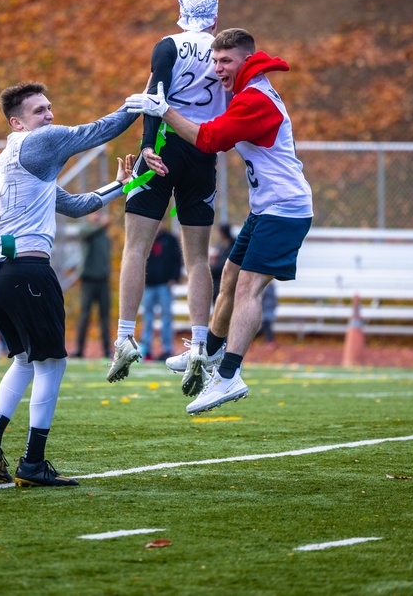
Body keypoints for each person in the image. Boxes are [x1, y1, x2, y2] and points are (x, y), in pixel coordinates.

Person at [126, 28, 313, 415]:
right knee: (228, 277)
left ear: (246, 59)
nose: (216, 69)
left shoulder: (255, 100)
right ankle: (210, 351)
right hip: (266, 207)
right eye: (213, 61)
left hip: (286, 207)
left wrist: (163, 110)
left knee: (248, 289)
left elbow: (208, 139)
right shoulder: (244, 91)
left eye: (224, 61)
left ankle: (229, 376)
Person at [0, 82, 137, 488]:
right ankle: (33, 462)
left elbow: (76, 207)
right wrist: (145, 102)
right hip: (25, 271)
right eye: (39, 110)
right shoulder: (39, 143)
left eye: (49, 107)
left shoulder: (13, 157)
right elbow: (97, 131)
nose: (50, 116)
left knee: (26, 360)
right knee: (52, 363)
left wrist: (123, 184)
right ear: (17, 122)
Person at [107, 0, 227, 395]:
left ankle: (125, 337)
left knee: (135, 248)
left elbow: (153, 99)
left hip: (162, 144)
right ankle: (198, 345)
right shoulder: (225, 50)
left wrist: (146, 145)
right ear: (213, 17)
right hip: (202, 147)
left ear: (180, 14)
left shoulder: (168, 45)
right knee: (196, 257)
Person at [71, 211, 113, 359]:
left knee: (105, 317)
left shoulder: (104, 236)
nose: (97, 217)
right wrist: (102, 224)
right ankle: (79, 349)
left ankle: (107, 350)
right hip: (88, 280)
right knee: (84, 315)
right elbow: (86, 234)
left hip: (103, 280)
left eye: (99, 214)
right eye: (95, 214)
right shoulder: (87, 230)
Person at [140, 222, 182, 360]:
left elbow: (177, 260)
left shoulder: (170, 239)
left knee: (166, 318)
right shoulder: (146, 238)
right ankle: (146, 349)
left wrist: (174, 278)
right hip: (148, 285)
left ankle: (167, 349)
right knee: (148, 318)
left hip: (164, 285)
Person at [210, 223, 235, 303]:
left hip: (227, 281)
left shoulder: (232, 247)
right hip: (217, 282)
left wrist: (211, 269)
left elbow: (224, 265)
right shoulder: (219, 246)